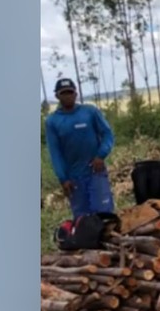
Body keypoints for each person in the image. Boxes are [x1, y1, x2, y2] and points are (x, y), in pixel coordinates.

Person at [45, 78, 116, 220]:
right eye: (63, 93)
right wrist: (63, 178)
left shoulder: (90, 112)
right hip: (74, 179)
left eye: (70, 92)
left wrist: (100, 155)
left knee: (105, 216)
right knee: (82, 220)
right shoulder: (52, 121)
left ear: (76, 94)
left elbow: (108, 134)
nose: (67, 96)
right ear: (57, 96)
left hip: (96, 173)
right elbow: (55, 153)